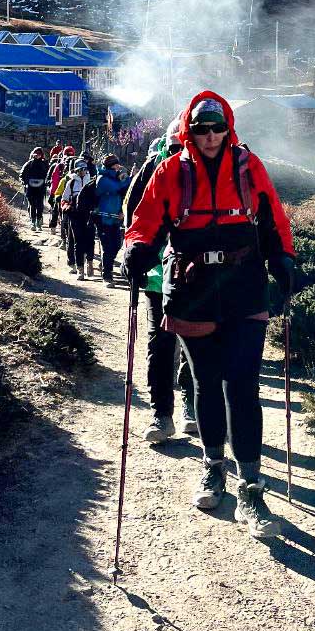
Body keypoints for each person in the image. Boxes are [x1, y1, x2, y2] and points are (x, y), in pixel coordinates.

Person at [122, 91, 297, 540]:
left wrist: (283, 259)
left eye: (218, 128)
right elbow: (145, 219)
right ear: (190, 132)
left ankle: (252, 489)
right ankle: (213, 468)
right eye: (203, 129)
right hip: (194, 289)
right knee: (205, 383)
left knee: (242, 384)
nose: (212, 136)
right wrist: (138, 249)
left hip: (243, 287)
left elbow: (272, 217)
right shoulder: (170, 171)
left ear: (228, 127)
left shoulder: (248, 166)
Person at [123, 120, 196, 443]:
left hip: (198, 276)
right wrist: (134, 255)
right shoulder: (153, 170)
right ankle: (162, 413)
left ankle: (190, 408)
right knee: (161, 343)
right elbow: (134, 218)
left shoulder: (210, 171)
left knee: (194, 345)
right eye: (177, 146)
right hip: (157, 275)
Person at [94, 154, 129, 285]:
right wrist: (125, 178)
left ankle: (105, 264)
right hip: (103, 218)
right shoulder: (102, 179)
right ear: (111, 165)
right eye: (116, 165)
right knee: (107, 247)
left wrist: (121, 211)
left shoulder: (115, 177)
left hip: (115, 218)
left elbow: (125, 190)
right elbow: (117, 188)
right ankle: (107, 276)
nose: (118, 166)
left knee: (117, 245)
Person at [58, 156, 92, 273]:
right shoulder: (71, 183)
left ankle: (86, 262)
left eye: (84, 169)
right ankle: (74, 264)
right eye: (81, 169)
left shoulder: (90, 181)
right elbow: (64, 199)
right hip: (74, 214)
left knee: (87, 240)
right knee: (73, 240)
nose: (83, 171)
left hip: (87, 215)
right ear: (76, 170)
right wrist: (66, 207)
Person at [19, 147, 48, 230]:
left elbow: (48, 174)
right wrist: (23, 182)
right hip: (30, 187)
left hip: (41, 187)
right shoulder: (29, 163)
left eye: (39, 154)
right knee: (32, 205)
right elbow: (22, 174)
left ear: (41, 155)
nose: (37, 155)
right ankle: (33, 222)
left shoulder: (44, 163)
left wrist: (48, 181)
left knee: (39, 205)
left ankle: (38, 222)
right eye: (36, 154)